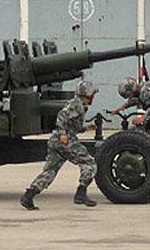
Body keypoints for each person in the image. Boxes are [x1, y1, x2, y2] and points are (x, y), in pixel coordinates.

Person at [20, 80, 99, 210]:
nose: (94, 98)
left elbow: (71, 125)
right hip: (65, 140)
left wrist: (85, 129)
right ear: (88, 94)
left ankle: (28, 196)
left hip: (56, 140)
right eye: (93, 95)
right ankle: (81, 192)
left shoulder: (76, 104)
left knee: (50, 171)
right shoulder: (76, 104)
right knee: (89, 163)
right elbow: (61, 116)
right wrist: (62, 134)